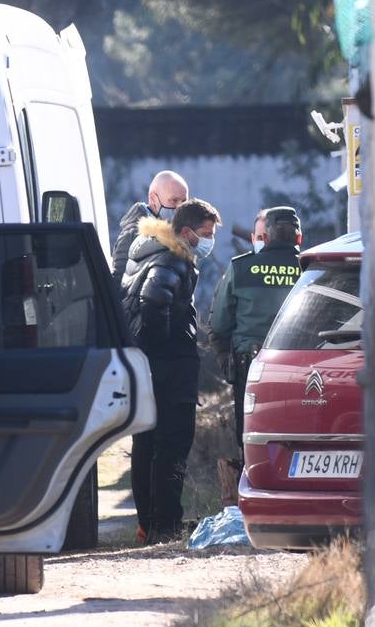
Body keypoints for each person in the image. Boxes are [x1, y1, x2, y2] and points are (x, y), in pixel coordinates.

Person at [121, 198, 221, 544]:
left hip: (148, 363)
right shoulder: (172, 259)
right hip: (170, 365)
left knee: (146, 443)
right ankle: (165, 524)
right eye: (206, 234)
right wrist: (167, 346)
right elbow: (153, 301)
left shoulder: (148, 251)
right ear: (186, 232)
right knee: (172, 445)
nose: (209, 241)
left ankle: (148, 523)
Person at [209, 206, 303, 486]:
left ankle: (256, 494)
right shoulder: (313, 268)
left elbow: (219, 325)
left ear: (267, 238)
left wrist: (226, 360)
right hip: (304, 370)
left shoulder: (241, 267)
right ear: (299, 239)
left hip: (251, 368)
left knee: (252, 439)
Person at [110, 171, 190, 287]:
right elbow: (118, 285)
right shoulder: (133, 234)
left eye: (183, 202)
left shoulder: (176, 234)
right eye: (173, 200)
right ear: (153, 199)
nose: (179, 208)